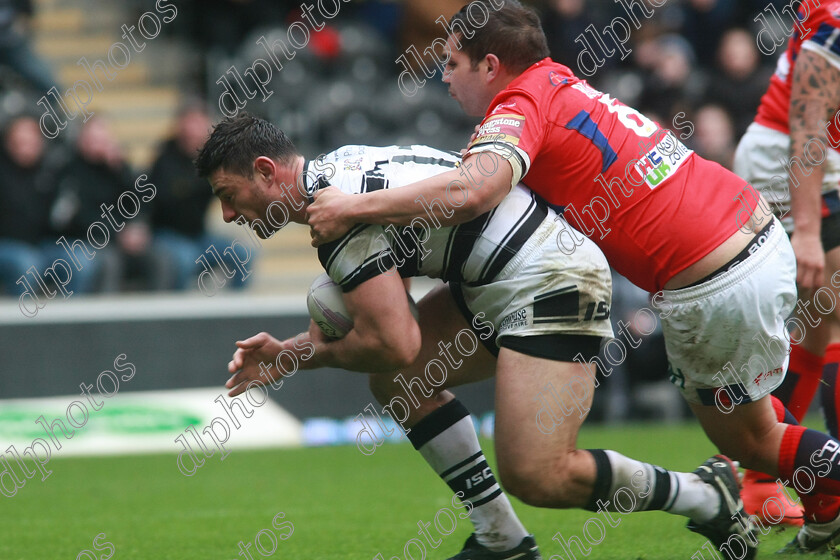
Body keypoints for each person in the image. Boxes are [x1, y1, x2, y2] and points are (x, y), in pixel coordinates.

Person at [304, 0, 840, 553]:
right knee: (755, 434)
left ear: (489, 66)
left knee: (752, 442)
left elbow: (472, 191)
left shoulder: (519, 102)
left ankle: (750, 498)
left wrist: (352, 209)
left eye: (451, 63)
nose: (443, 79)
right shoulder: (557, 82)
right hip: (742, 239)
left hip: (714, 278)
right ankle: (824, 510)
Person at [195, 114, 758, 560]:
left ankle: (707, 495)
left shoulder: (335, 217)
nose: (227, 212)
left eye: (229, 192)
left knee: (537, 474)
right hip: (507, 275)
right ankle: (501, 539)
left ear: (267, 171)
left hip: (548, 281)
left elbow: (396, 341)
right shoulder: (341, 167)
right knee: (400, 384)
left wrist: (296, 357)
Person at [732, 1, 840, 536]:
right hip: (789, 158)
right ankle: (832, 500)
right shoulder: (836, 22)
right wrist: (809, 231)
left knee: (818, 336)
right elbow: (808, 127)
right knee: (837, 319)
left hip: (821, 158)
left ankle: (763, 483)